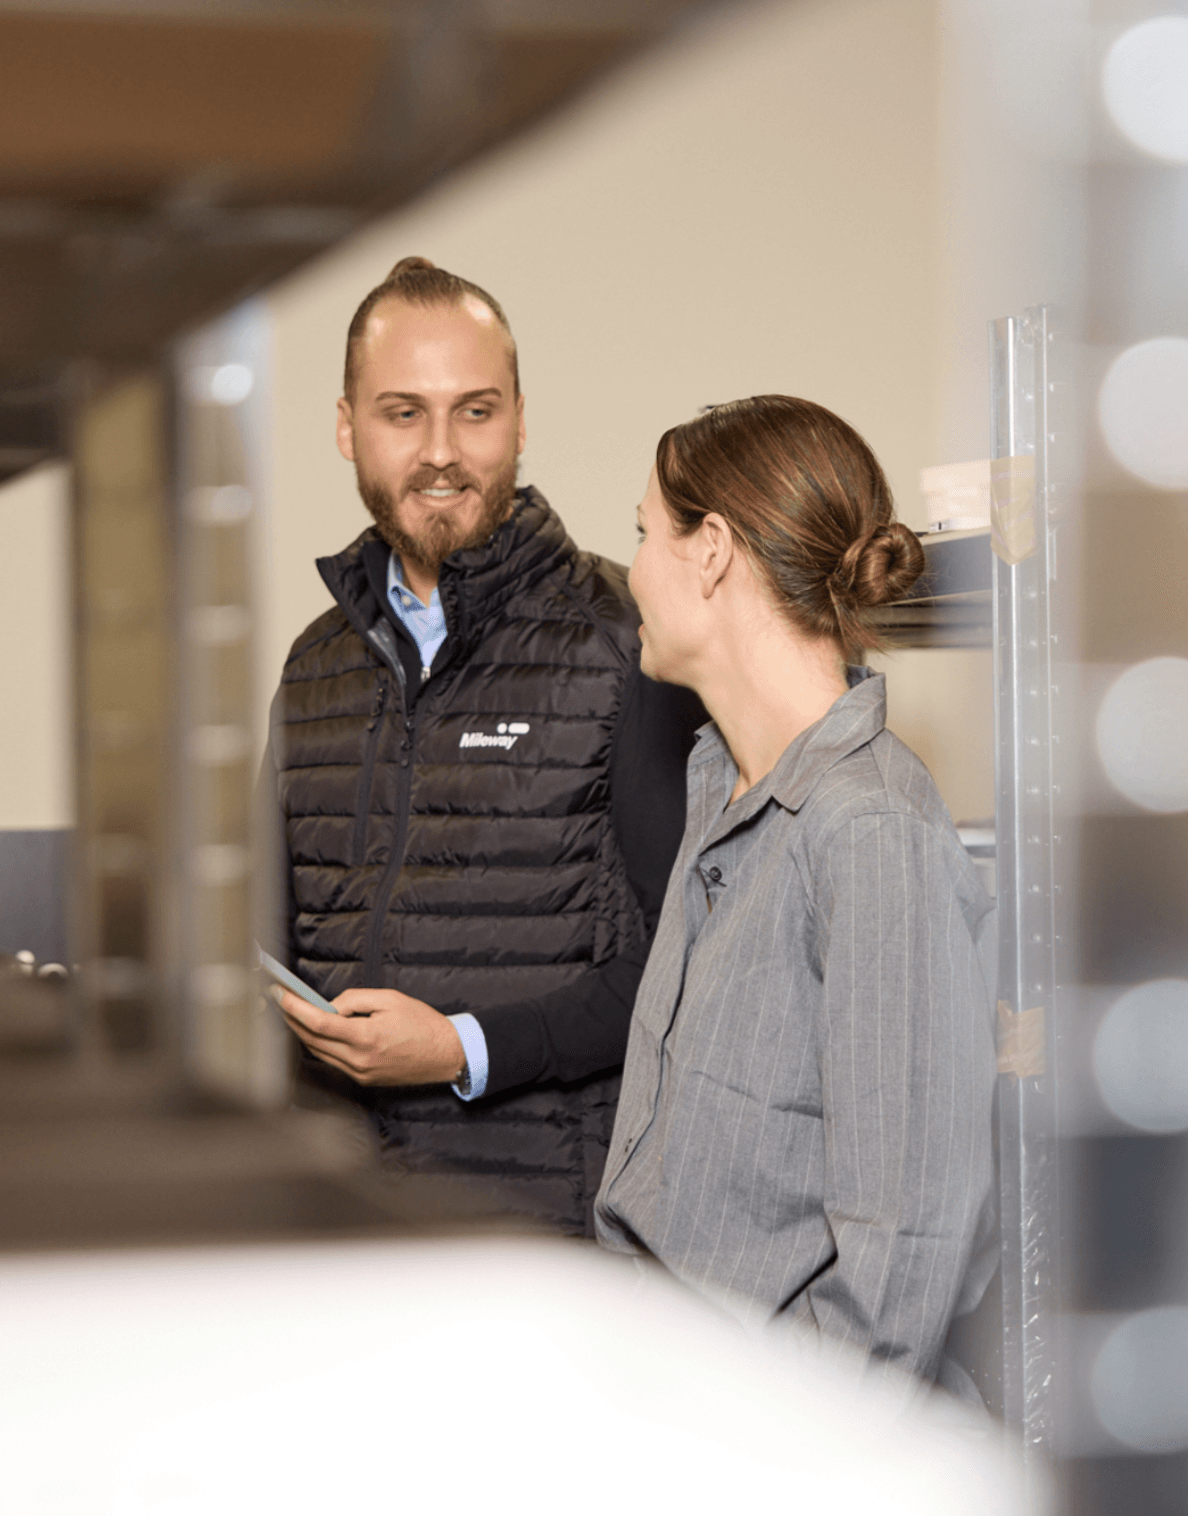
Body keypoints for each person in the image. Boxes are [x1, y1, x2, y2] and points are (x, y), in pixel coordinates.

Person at [267, 257, 704, 1235]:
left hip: (542, 1228)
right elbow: (269, 937)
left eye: (474, 411)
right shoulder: (314, 666)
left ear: (519, 418)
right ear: (346, 426)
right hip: (341, 1219)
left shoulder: (627, 642)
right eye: (401, 412)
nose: (440, 452)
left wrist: (465, 1048)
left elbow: (687, 967)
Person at [595, 395, 997, 1384]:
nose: (634, 568)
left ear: (713, 550)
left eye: (646, 532)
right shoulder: (714, 781)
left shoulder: (870, 831)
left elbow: (898, 1259)